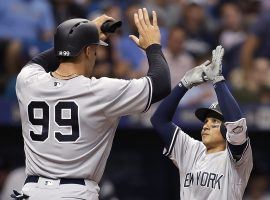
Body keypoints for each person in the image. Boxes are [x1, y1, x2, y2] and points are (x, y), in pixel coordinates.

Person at [14, 8, 170, 200]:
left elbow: (38, 61)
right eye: (95, 50)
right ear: (88, 51)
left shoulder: (28, 81)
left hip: (32, 192)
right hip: (75, 193)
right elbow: (161, 84)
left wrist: (79, 36)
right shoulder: (100, 91)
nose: (96, 55)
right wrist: (153, 45)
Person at [151, 45, 253, 199]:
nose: (207, 125)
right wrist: (183, 84)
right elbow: (159, 120)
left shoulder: (236, 160)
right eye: (206, 121)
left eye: (214, 121)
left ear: (226, 129)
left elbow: (237, 124)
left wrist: (218, 81)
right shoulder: (191, 149)